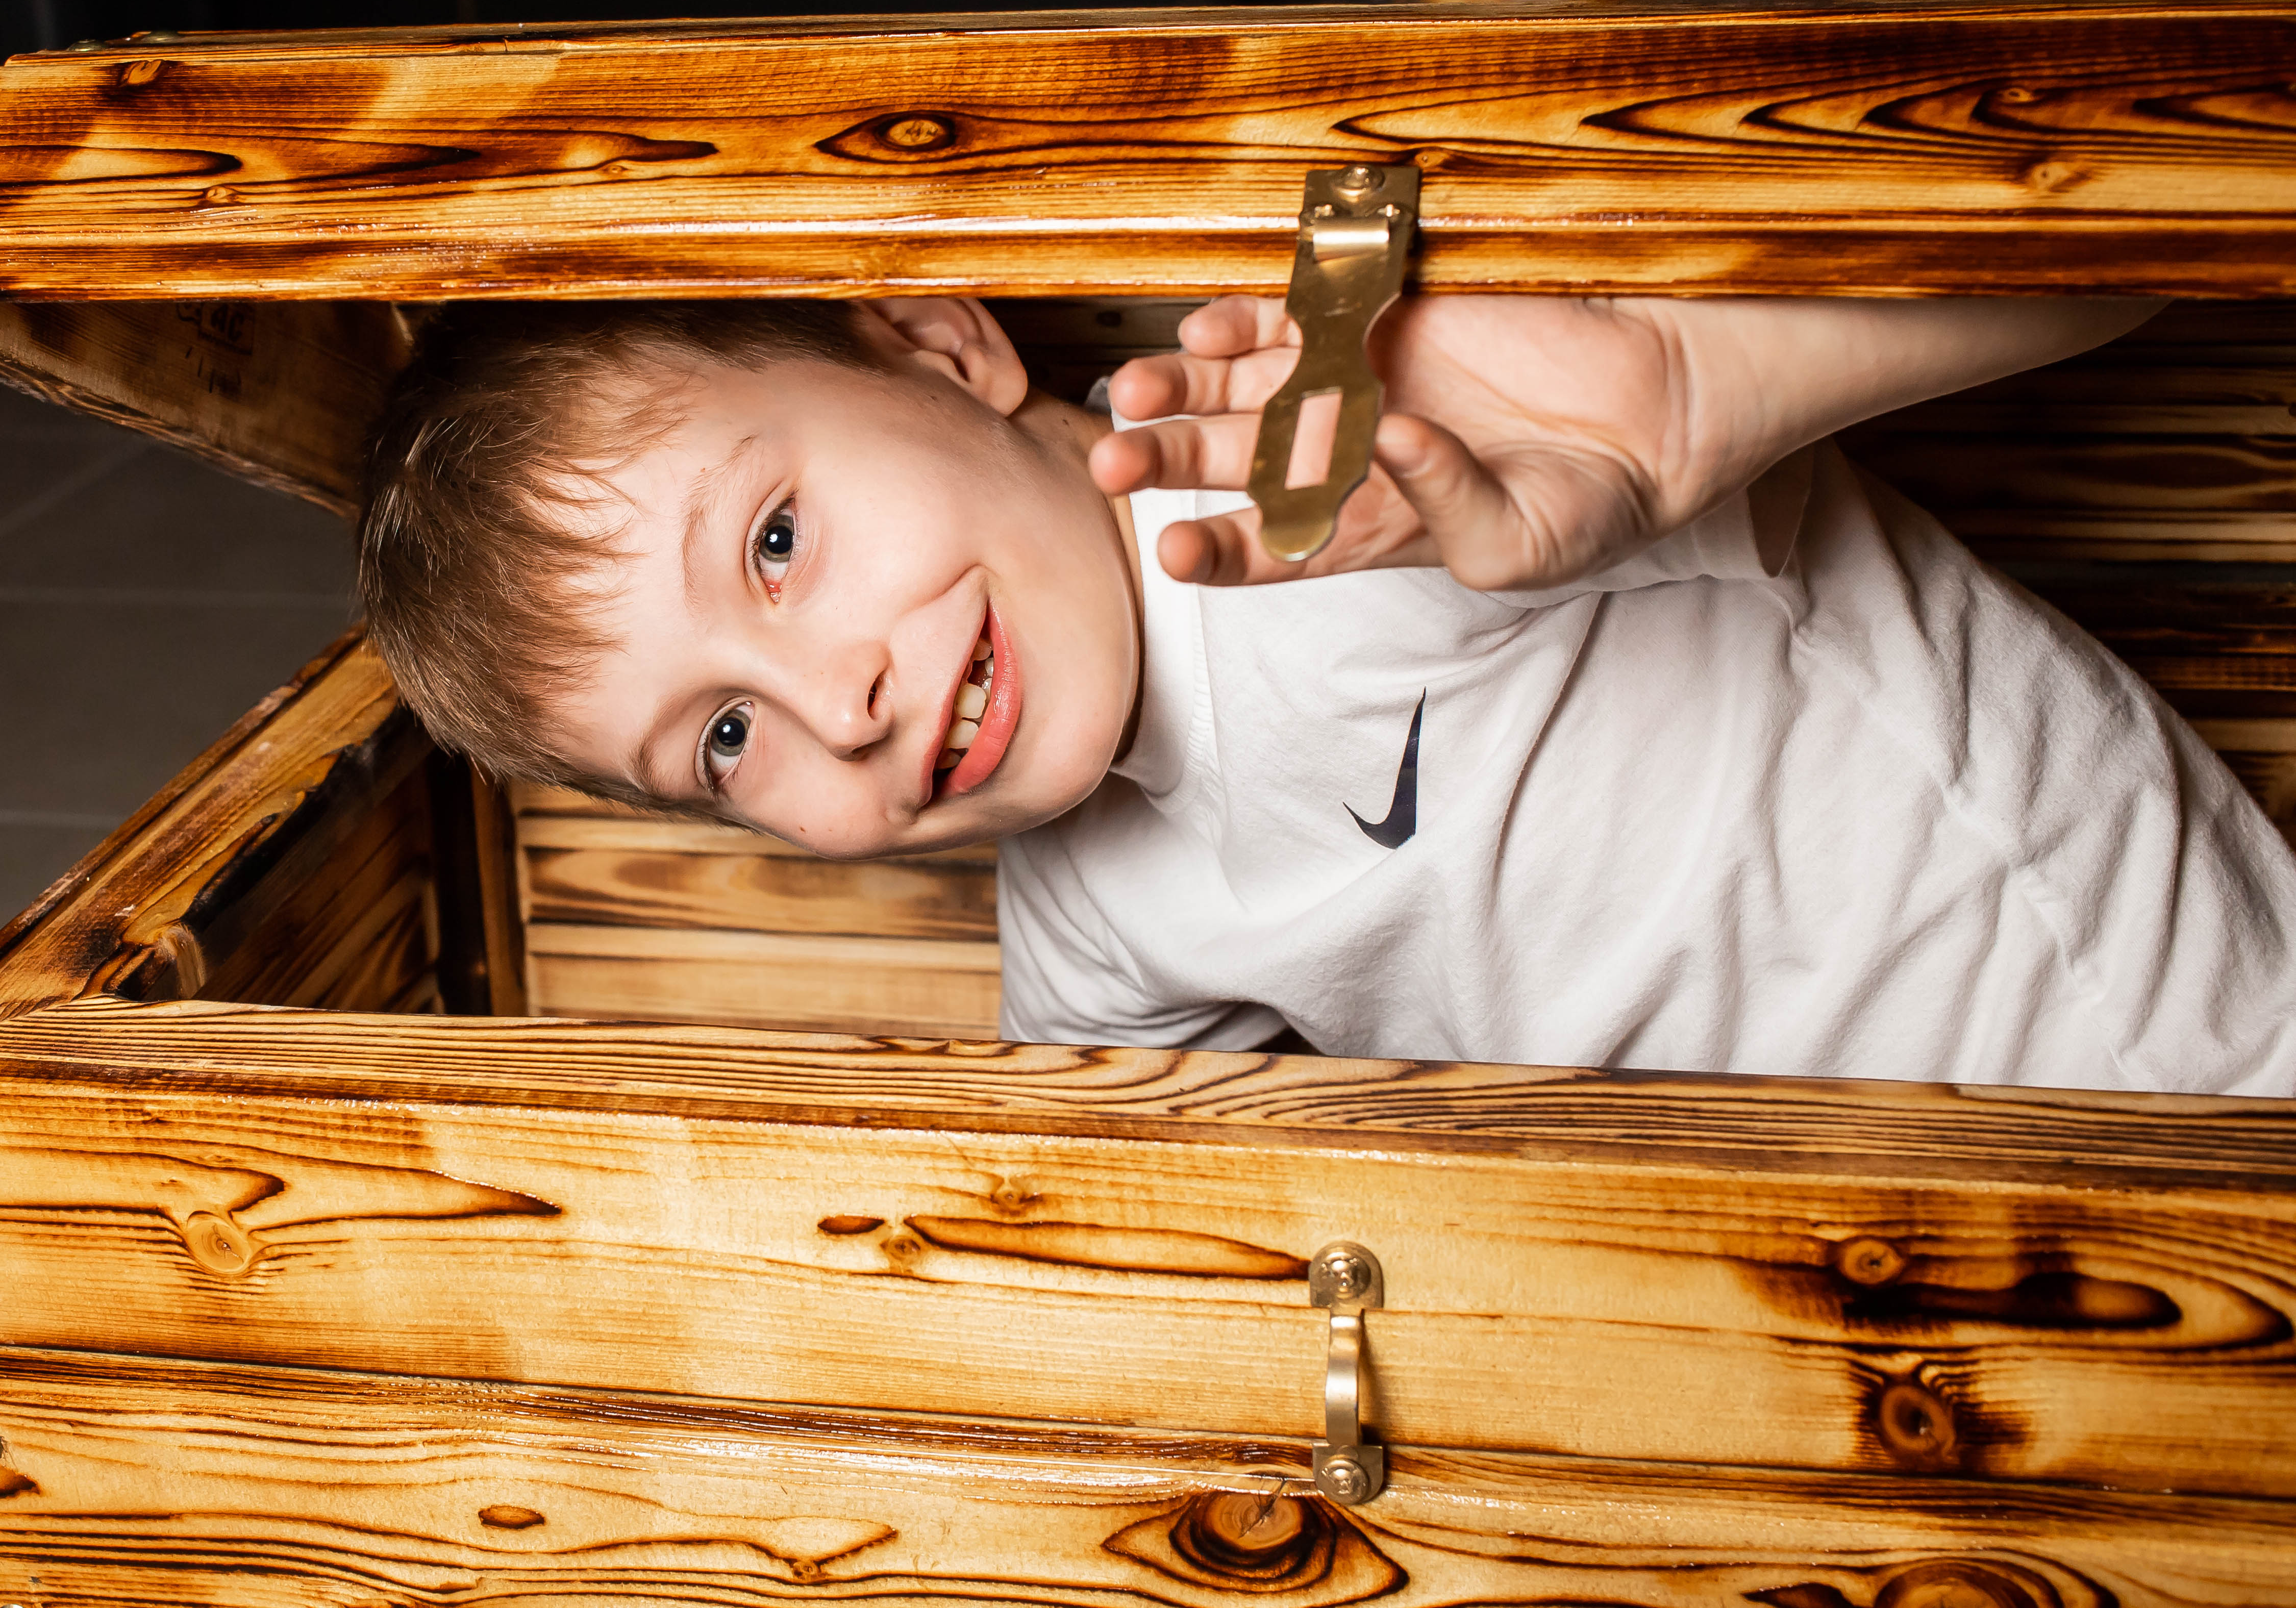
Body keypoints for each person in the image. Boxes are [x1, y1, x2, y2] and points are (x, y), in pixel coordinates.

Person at [356, 292, 2296, 1093]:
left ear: (940, 349)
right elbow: (1140, 1230)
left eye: (776, 542)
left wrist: (1685, 383)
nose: (833, 702)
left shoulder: (1334, 468)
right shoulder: (1091, 924)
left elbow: (2123, 243)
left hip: (2185, 1071)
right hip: (1866, 1307)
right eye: (721, 740)